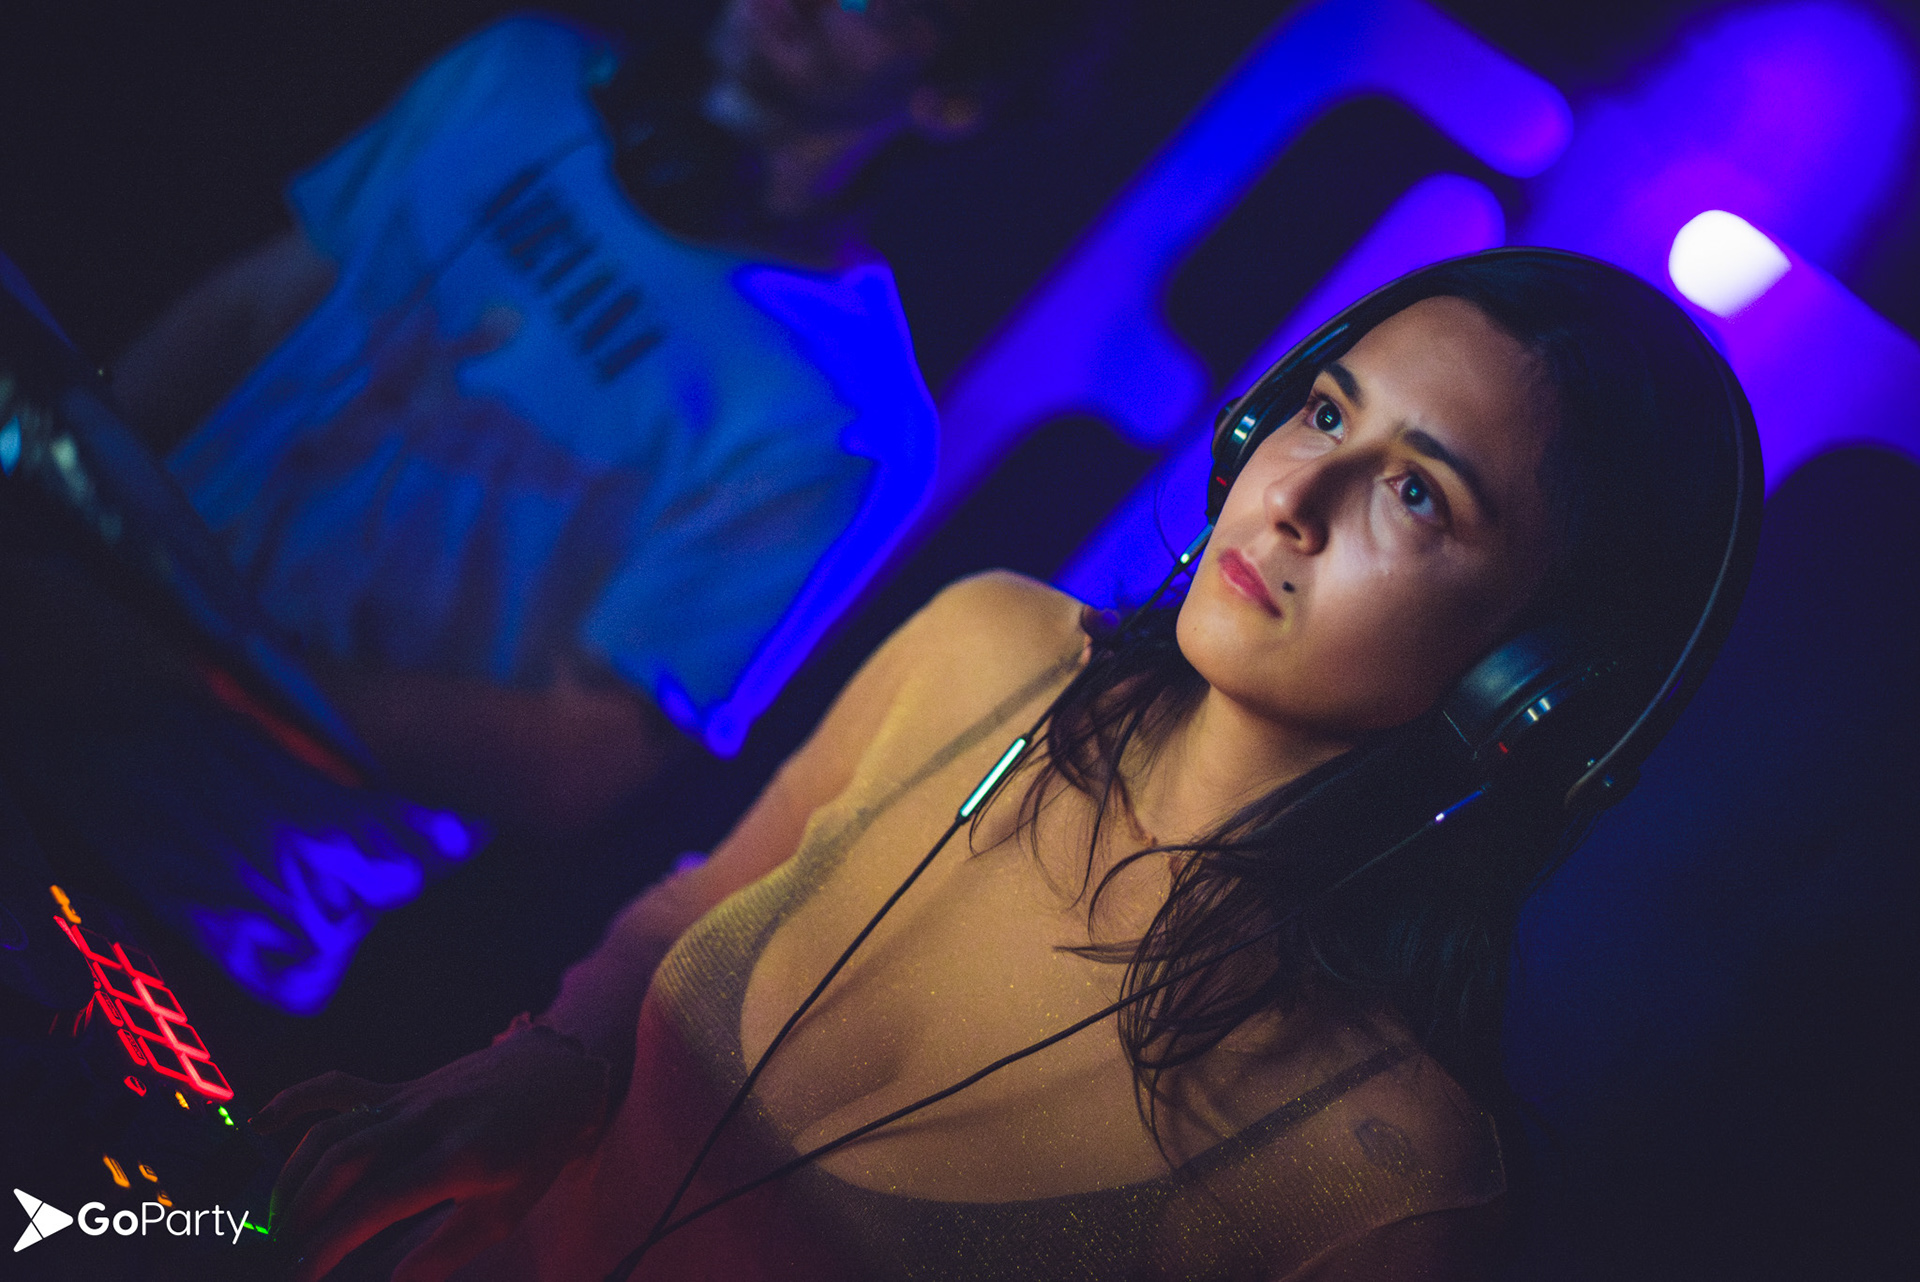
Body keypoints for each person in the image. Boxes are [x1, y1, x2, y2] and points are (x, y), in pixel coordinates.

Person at [250, 250, 1755, 1281]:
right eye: (1322, 411)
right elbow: (694, 902)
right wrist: (553, 1061)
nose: (1295, 496)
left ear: (1529, 687)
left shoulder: (1389, 1183)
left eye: (1418, 495)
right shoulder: (988, 644)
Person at [110, 0, 1102, 833]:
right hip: (76, 630)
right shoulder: (515, 74)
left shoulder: (849, 420)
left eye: (867, 3)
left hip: (223, 853)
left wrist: (187, 668)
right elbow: (252, 310)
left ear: (954, 98)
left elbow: (579, 758)